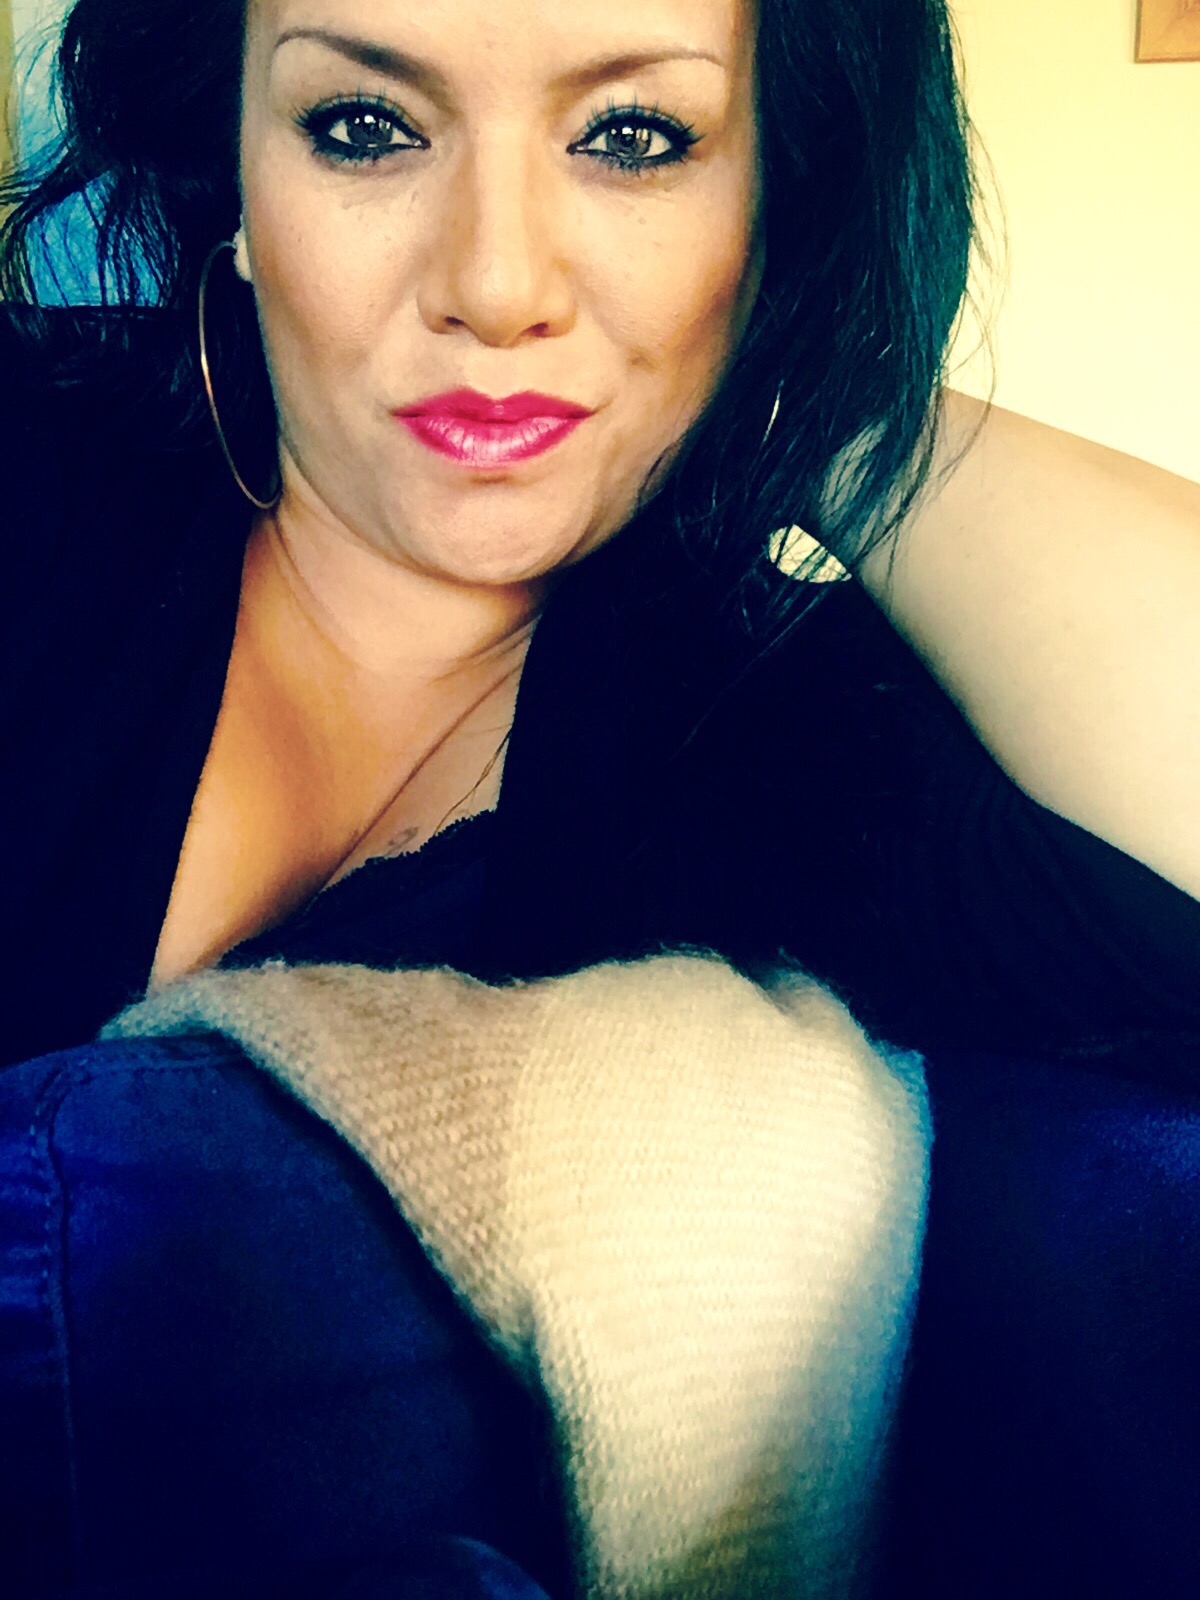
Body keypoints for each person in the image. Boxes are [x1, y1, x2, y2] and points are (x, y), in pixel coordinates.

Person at [1, 0, 1199, 1592]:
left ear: (778, 190)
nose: (497, 284)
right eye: (365, 128)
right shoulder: (36, 459)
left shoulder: (772, 734)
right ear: (232, 172)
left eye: (635, 139)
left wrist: (824, 396)